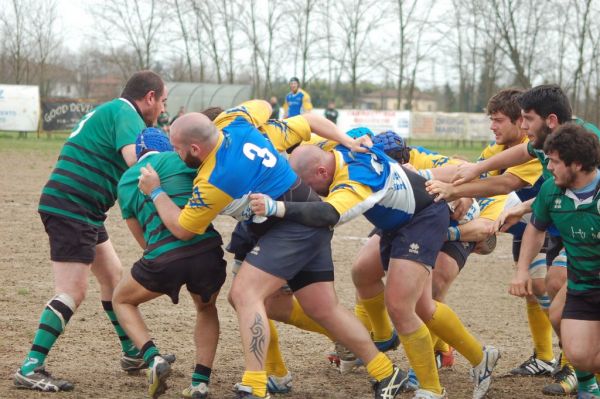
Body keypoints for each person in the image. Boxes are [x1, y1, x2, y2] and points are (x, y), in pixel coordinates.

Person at [137, 101, 408, 399]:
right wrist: (346, 141)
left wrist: (156, 191)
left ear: (195, 149)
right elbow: (273, 108)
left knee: (244, 295)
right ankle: (386, 373)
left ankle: (254, 385)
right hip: (307, 211)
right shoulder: (237, 121)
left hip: (288, 224)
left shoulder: (213, 179)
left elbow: (183, 228)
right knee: (323, 309)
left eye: (177, 149)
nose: (176, 154)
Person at [250, 143, 500, 399]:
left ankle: (432, 390)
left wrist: (275, 207)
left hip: (421, 218)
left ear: (323, 172)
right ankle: (481, 356)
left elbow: (328, 213)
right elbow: (311, 128)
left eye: (309, 186)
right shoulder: (350, 145)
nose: (310, 193)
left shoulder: (354, 182)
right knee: (403, 296)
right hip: (398, 219)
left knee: (400, 306)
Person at [433, 85, 600, 396]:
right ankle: (568, 364)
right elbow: (521, 159)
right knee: (548, 293)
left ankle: (573, 367)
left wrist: (459, 191)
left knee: (554, 282)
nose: (523, 126)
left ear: (550, 120)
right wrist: (475, 172)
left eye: (525, 118)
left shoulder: (583, 141)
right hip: (553, 222)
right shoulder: (539, 144)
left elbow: (508, 181)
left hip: (578, 227)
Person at [14, 70, 169, 392]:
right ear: (150, 97)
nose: (164, 110)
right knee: (73, 290)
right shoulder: (127, 113)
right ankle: (30, 366)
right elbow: (137, 164)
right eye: (163, 101)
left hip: (81, 207)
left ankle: (131, 353)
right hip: (73, 206)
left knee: (113, 276)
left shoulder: (112, 109)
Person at [113, 128, 226, 399]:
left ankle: (153, 358)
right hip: (207, 250)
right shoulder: (183, 160)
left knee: (121, 300)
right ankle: (200, 382)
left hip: (163, 256)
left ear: (139, 154)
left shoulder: (126, 180)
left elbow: (142, 240)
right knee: (205, 308)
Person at [508, 124, 600, 398]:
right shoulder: (551, 191)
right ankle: (587, 384)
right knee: (578, 355)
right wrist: (522, 270)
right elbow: (536, 228)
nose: (548, 167)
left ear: (578, 164)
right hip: (583, 284)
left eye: (555, 161)